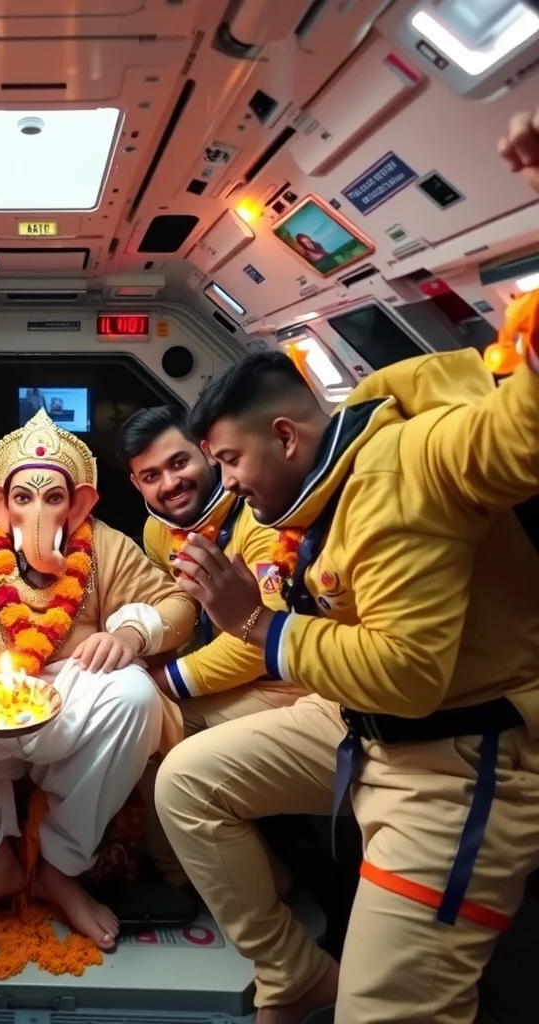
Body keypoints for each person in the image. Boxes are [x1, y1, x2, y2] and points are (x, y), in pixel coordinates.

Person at [153, 175, 539, 1024]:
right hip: (355, 723)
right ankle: (295, 975)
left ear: (285, 436)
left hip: (461, 756)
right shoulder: (312, 501)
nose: (223, 482)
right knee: (185, 782)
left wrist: (251, 625)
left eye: (226, 461)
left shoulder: (419, 454)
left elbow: (409, 675)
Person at [0, 409, 195, 949]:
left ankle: (60, 866)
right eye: (23, 498)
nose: (37, 510)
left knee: (134, 696)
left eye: (53, 498)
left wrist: (129, 633)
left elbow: (176, 603)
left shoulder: (105, 545)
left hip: (74, 693)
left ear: (76, 502)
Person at [116, 405, 304, 887]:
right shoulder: (159, 530)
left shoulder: (260, 522)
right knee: (133, 715)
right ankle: (181, 872)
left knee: (151, 731)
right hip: (222, 678)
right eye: (151, 475)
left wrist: (166, 681)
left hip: (286, 684)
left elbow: (260, 637)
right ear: (137, 485)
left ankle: (254, 885)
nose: (169, 484)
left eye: (179, 464)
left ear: (206, 453)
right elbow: (172, 607)